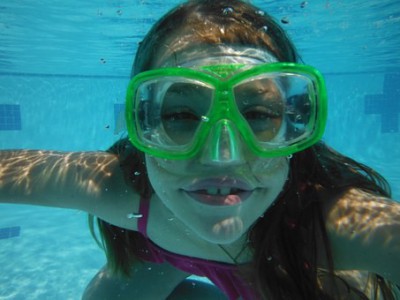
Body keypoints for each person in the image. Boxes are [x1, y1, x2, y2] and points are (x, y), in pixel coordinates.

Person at [1, 0, 399, 299]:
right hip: (166, 261)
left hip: (294, 275)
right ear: (143, 124)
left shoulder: (327, 225)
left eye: (258, 114)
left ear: (293, 125)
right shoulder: (123, 189)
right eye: (180, 117)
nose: (221, 156)